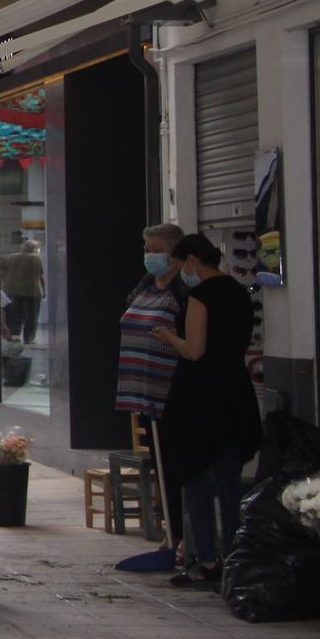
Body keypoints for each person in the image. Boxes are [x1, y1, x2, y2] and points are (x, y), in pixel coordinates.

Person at [154, 232, 262, 588]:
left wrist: (169, 337)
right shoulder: (238, 292)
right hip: (234, 393)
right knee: (230, 480)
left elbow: (194, 350)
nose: (181, 273)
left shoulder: (201, 297)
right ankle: (236, 556)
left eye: (179, 265)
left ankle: (207, 561)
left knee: (198, 478)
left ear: (191, 262)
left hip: (201, 400)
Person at [117, 222, 190, 563]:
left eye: (156, 249)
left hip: (171, 390)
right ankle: (170, 531)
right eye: (146, 249)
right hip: (141, 389)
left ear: (175, 254)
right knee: (160, 464)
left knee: (176, 463)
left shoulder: (183, 290)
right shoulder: (147, 284)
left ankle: (183, 534)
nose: (149, 255)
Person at [1, 238, 45, 343]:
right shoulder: (35, 258)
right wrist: (44, 290)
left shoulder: (10, 257)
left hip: (12, 290)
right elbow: (40, 276)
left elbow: (2, 272)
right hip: (31, 291)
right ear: (34, 249)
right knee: (31, 316)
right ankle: (28, 338)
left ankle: (13, 335)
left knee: (15, 314)